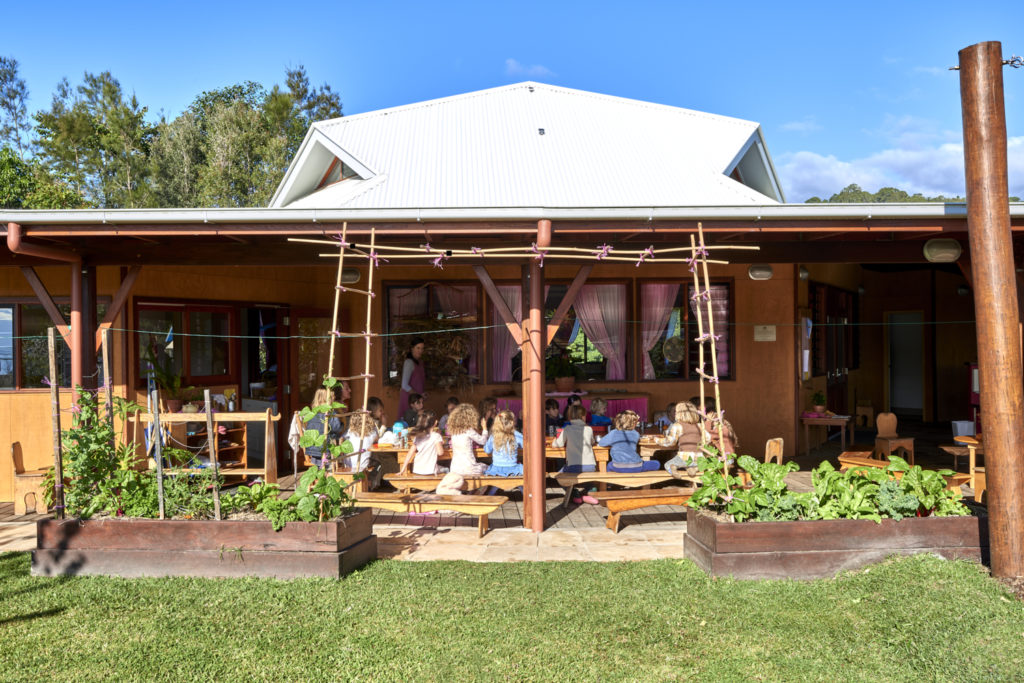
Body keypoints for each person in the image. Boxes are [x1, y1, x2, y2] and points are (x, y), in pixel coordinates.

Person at [553, 403, 598, 504]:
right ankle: (589, 491)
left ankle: (574, 493)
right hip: (590, 466)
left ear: (570, 417)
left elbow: (557, 444)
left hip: (573, 466)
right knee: (590, 474)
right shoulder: (589, 429)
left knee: (558, 475)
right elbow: (592, 442)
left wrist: (557, 436)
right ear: (582, 417)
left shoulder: (567, 429)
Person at [661, 402, 704, 478]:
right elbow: (707, 438)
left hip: (684, 457)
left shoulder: (677, 426)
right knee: (698, 464)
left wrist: (657, 440)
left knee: (668, 464)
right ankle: (695, 469)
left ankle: (673, 468)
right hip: (699, 458)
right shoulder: (700, 426)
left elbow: (671, 442)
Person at [303, 387, 343, 468]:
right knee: (329, 468)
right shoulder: (330, 413)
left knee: (318, 469)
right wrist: (342, 424)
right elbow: (337, 428)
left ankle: (320, 477)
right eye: (333, 397)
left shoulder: (312, 413)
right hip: (326, 450)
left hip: (313, 451)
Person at [342, 411, 382, 489]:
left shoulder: (349, 432)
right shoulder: (372, 433)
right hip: (363, 466)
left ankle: (367, 482)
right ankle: (370, 481)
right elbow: (378, 439)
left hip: (348, 465)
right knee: (378, 464)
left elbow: (342, 439)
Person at [446, 403, 488, 476]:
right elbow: (483, 441)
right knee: (488, 468)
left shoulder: (454, 432)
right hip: (469, 468)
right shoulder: (468, 430)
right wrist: (484, 428)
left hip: (455, 468)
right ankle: (488, 488)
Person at [400, 410, 446, 476]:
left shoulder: (418, 436)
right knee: (447, 469)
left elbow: (410, 453)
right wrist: (440, 444)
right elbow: (440, 452)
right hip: (430, 471)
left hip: (417, 470)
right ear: (435, 422)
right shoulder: (436, 436)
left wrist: (402, 469)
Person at [484, 410, 524, 477]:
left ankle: (493, 488)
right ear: (512, 422)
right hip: (513, 468)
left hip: (496, 468)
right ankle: (522, 488)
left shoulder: (493, 436)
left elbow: (487, 450)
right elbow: (526, 445)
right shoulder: (516, 435)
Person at [398, 337, 426, 421]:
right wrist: (418, 395)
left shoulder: (420, 362)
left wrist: (422, 394)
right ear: (412, 348)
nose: (420, 350)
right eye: (418, 348)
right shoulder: (409, 362)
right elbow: (404, 385)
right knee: (409, 422)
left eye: (422, 348)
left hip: (417, 400)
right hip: (409, 400)